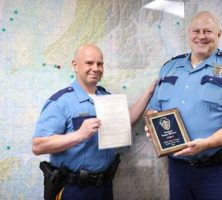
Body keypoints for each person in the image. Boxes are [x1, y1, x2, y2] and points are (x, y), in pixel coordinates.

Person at [145, 11, 222, 200]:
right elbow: (153, 109)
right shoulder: (169, 68)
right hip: (178, 171)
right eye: (196, 31)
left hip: (219, 171)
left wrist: (208, 143)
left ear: (219, 34)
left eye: (208, 31)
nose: (201, 36)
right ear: (188, 33)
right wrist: (153, 128)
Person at [32, 44, 156, 200]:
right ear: (75, 66)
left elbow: (126, 121)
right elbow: (38, 146)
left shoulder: (106, 98)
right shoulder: (60, 102)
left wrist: (149, 93)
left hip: (104, 187)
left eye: (100, 64)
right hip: (74, 189)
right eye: (89, 63)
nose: (96, 68)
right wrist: (79, 135)